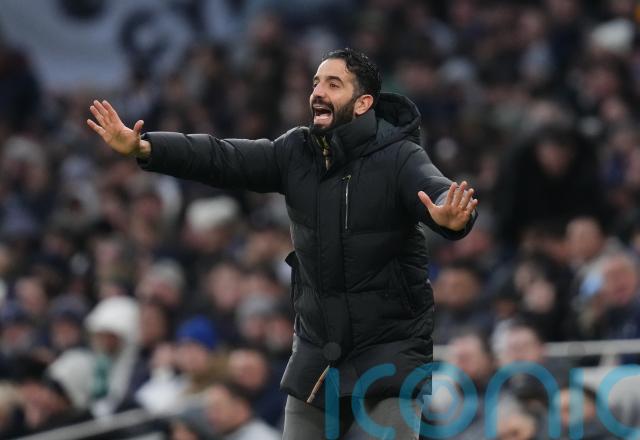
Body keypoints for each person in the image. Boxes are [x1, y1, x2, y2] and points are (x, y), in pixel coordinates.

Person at [87, 48, 478, 439]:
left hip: (389, 355)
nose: (318, 92)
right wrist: (147, 147)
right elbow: (222, 156)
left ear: (363, 103)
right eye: (316, 83)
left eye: (333, 84)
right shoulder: (296, 152)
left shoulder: (400, 157)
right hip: (318, 355)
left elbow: (437, 190)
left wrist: (451, 216)